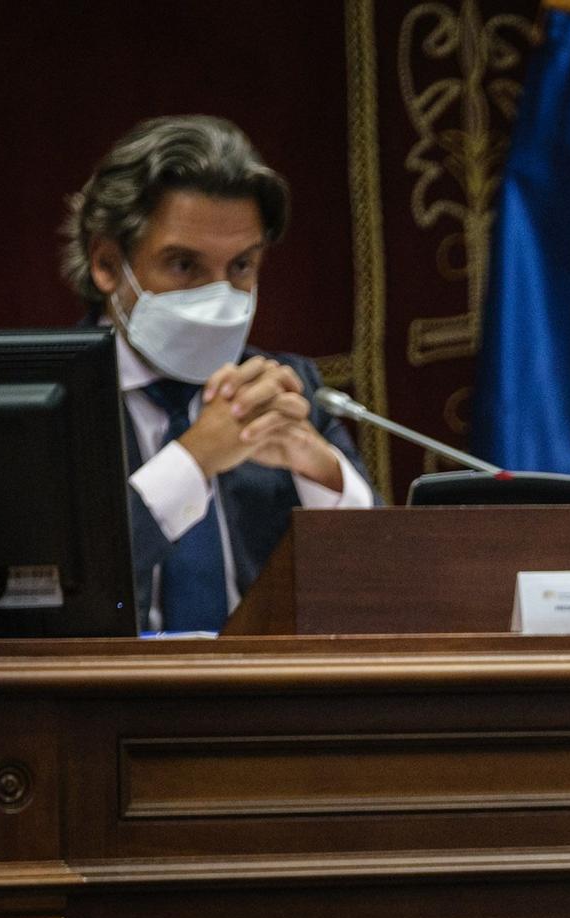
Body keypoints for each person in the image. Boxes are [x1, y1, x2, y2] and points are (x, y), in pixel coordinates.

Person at [62, 115, 373, 632]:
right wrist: (193, 460)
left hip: (264, 701)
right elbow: (50, 598)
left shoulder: (285, 388)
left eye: (241, 266)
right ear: (108, 264)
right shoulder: (49, 399)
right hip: (105, 702)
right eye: (185, 265)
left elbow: (383, 588)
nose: (219, 294)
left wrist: (324, 476)